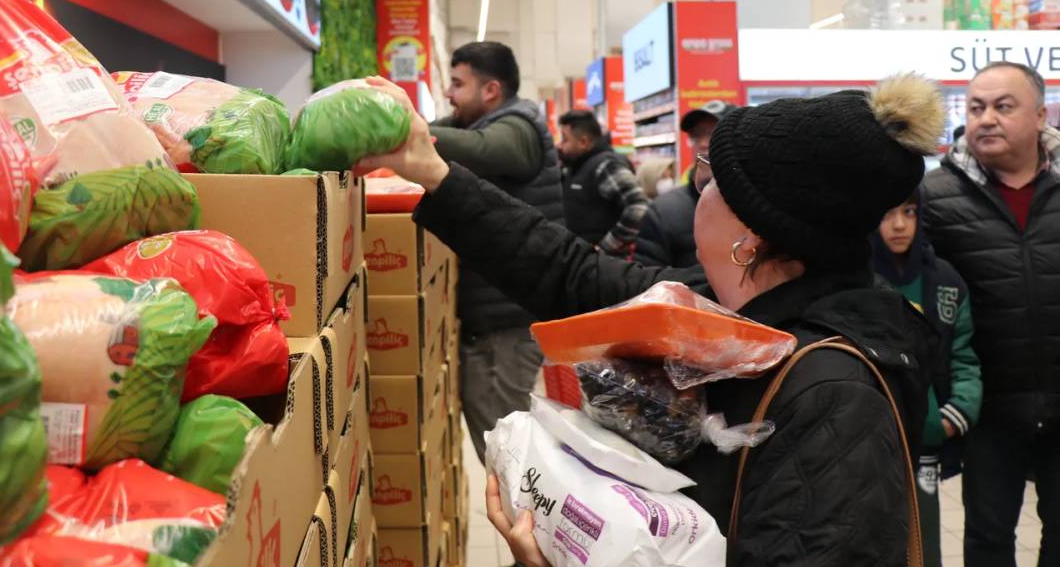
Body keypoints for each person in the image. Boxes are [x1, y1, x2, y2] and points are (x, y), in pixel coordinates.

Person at [358, 72, 943, 565]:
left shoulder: (835, 394)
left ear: (752, 236)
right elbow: (570, 276)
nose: (695, 186)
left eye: (713, 180)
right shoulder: (704, 305)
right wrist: (430, 170)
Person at [921, 61, 1060, 566]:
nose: (986, 119)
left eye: (1004, 107)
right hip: (988, 406)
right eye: (976, 107)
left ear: (1040, 115)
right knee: (987, 537)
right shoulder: (936, 197)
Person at [428, 41, 563, 461]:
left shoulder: (520, 125)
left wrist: (406, 134)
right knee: (497, 437)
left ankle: (528, 525)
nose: (449, 94)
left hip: (509, 321)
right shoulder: (478, 122)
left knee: (504, 448)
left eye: (457, 84)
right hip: (498, 314)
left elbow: (487, 150)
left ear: (490, 91)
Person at [872, 190, 983, 567]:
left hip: (927, 447)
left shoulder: (946, 282)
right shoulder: (859, 284)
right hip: (870, 440)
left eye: (909, 212)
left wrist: (953, 417)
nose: (900, 224)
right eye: (888, 213)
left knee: (925, 541)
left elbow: (966, 355)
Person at [634, 101, 735, 268]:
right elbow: (649, 280)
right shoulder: (663, 211)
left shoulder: (760, 201)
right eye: (696, 135)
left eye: (713, 133)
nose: (702, 143)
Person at [557, 110, 649, 255]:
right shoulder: (575, 166)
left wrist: (606, 247)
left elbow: (639, 207)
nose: (560, 145)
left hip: (606, 266)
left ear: (583, 142)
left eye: (564, 139)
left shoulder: (606, 165)